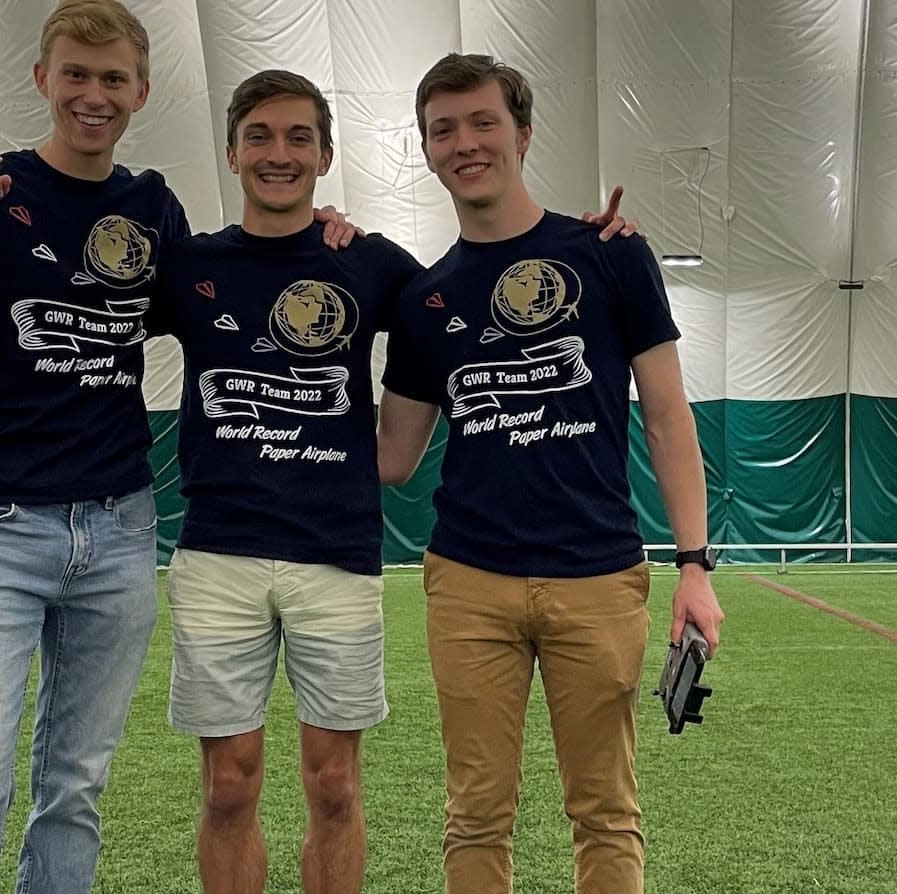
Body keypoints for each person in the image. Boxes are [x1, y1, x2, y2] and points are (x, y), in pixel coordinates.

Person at [0, 3, 357, 892]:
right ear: (41, 80)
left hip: (117, 527)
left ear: (139, 90)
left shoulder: (151, 207)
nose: (92, 95)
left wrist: (316, 239)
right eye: (75, 74)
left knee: (76, 782)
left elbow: (227, 297)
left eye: (111, 79)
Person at [147, 68, 636, 894]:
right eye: (259, 136)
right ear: (231, 153)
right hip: (217, 555)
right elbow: (84, 308)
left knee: (333, 783)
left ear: (325, 155)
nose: (278, 153)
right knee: (228, 783)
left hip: (337, 553)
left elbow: (472, 289)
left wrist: (590, 244)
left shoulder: (373, 266)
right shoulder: (189, 264)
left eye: (299, 137)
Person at [376, 53, 725, 894]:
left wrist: (693, 565)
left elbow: (668, 417)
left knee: (605, 812)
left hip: (599, 578)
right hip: (466, 583)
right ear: (425, 150)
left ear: (523, 133)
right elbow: (392, 458)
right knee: (474, 816)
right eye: (443, 129)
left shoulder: (608, 254)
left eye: (482, 122)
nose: (464, 143)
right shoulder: (426, 300)